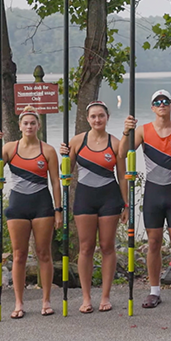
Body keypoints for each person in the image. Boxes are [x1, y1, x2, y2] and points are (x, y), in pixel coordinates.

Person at [123, 90, 171, 308]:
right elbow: (122, 153)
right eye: (157, 102)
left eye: (165, 101)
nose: (162, 104)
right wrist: (125, 131)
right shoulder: (142, 131)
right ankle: (154, 291)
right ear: (152, 107)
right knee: (154, 243)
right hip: (153, 193)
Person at [0, 106, 61, 318]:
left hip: (42, 206)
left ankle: (46, 301)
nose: (29, 126)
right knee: (18, 255)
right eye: (25, 123)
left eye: (32, 123)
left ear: (38, 125)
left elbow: (55, 182)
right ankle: (19, 303)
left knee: (44, 253)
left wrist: (58, 210)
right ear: (20, 126)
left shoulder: (47, 151)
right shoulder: (10, 148)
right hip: (18, 205)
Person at [60, 100, 127, 313]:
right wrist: (63, 155)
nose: (97, 119)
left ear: (107, 118)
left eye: (101, 116)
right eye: (93, 116)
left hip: (109, 198)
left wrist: (126, 205)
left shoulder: (115, 144)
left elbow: (123, 177)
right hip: (85, 198)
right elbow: (66, 172)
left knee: (108, 247)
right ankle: (86, 298)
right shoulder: (78, 141)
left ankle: (105, 297)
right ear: (88, 119)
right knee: (86, 247)